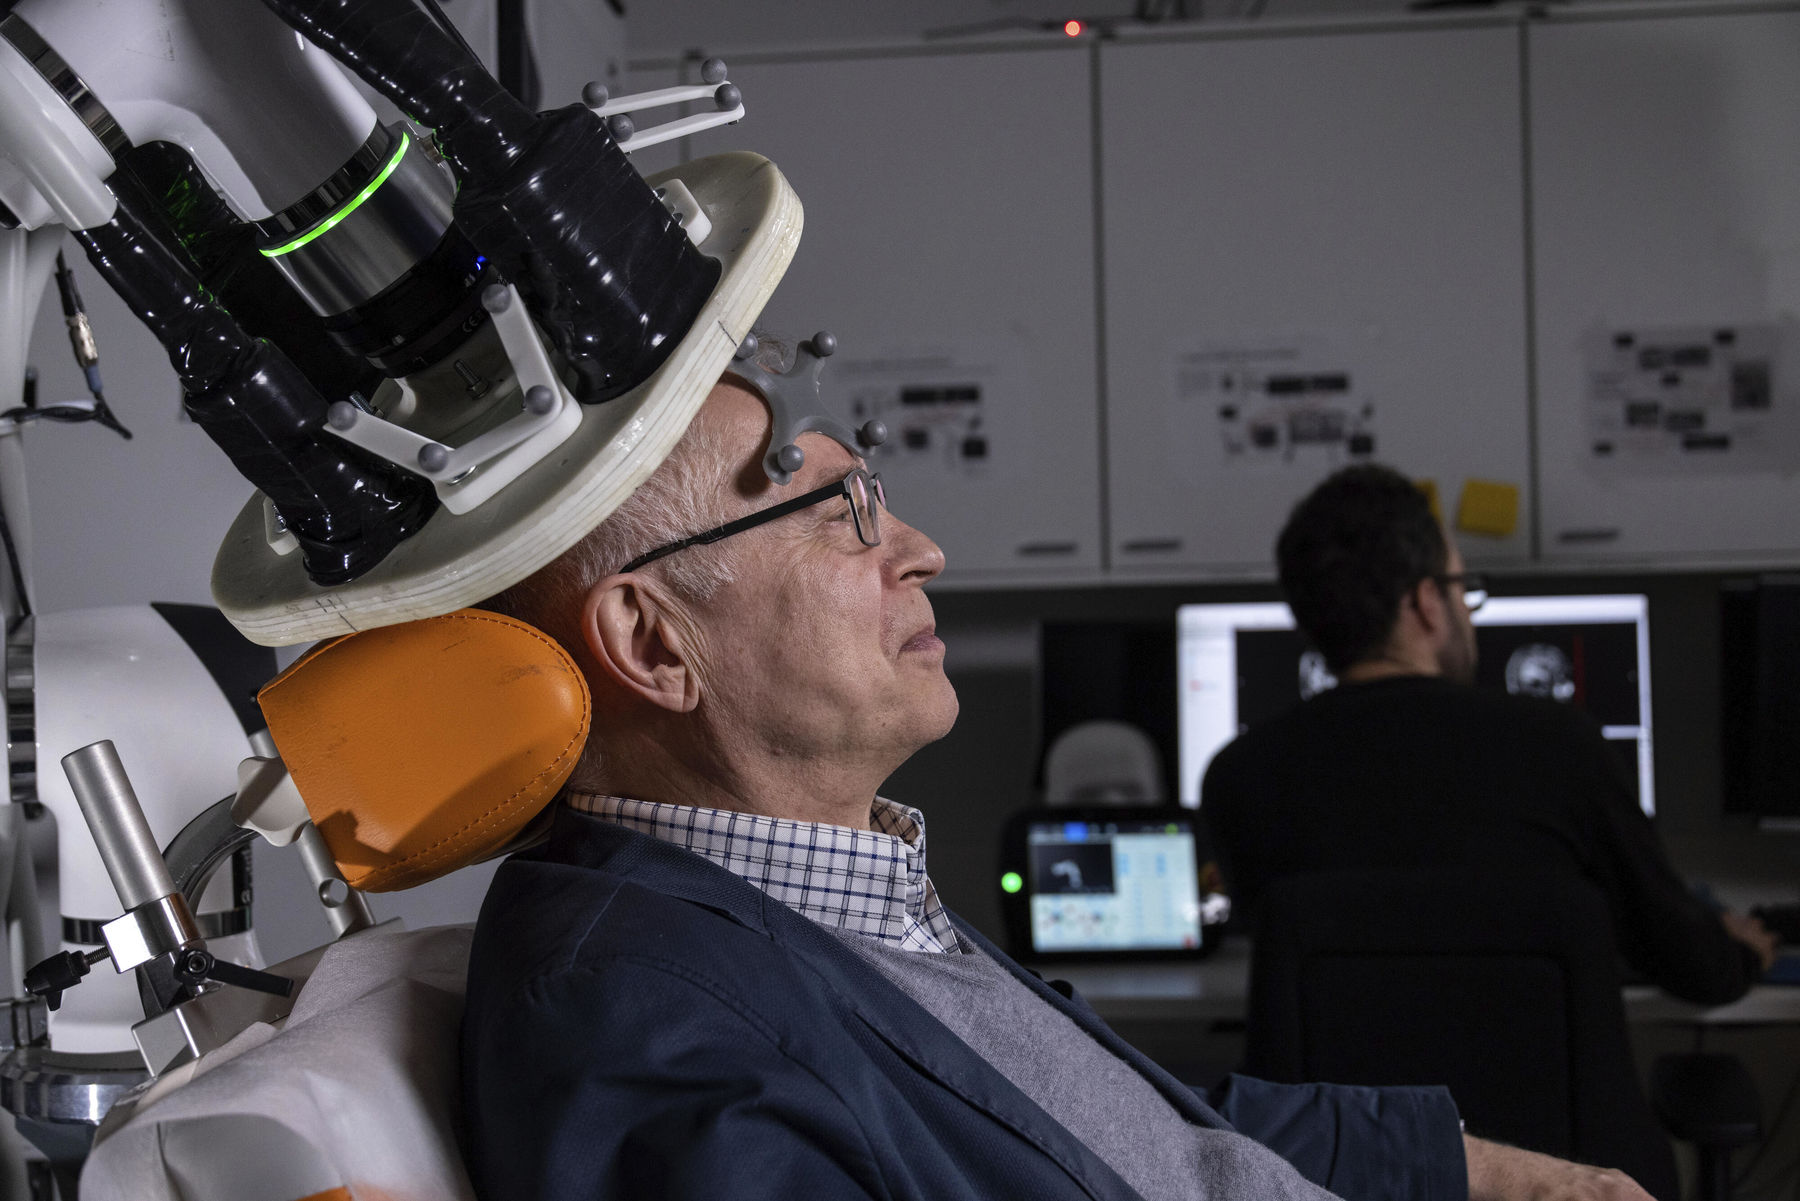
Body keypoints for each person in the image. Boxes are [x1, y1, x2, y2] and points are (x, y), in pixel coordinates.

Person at [460, 363, 1656, 1201]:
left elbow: (1122, 1127)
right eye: (840, 513)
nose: (922, 548)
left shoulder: (823, 896)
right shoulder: (633, 1015)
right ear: (656, 642)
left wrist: (1469, 1168)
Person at [1202, 463, 1776, 1007]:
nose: (1466, 612)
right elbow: (1693, 966)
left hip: (1343, 1113)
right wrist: (1741, 952)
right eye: (1460, 587)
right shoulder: (1560, 748)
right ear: (1427, 603)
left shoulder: (1238, 777)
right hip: (1541, 1111)